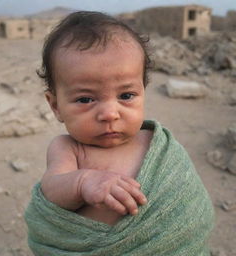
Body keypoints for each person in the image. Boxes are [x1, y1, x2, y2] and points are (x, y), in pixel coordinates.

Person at [25, 11, 214, 256]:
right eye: (85, 99)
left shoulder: (158, 146)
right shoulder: (68, 148)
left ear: (143, 92)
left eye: (126, 96)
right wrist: (83, 182)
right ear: (55, 106)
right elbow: (51, 187)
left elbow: (189, 205)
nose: (109, 113)